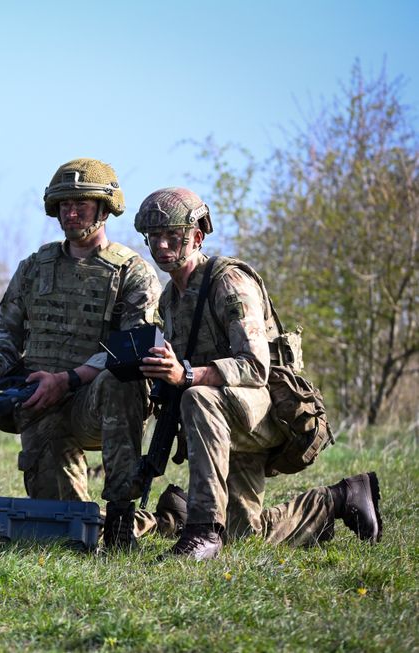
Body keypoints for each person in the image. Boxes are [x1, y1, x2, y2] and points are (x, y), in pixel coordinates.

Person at [133, 187, 382, 560]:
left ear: (197, 237)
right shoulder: (171, 298)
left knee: (197, 396)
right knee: (245, 536)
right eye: (154, 238)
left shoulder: (228, 281)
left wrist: (185, 377)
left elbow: (255, 366)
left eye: (173, 237)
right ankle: (341, 498)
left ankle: (201, 531)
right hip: (222, 417)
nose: (162, 246)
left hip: (263, 407)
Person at [0, 157, 166, 549]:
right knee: (61, 527)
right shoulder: (35, 267)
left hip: (96, 401)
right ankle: (153, 520)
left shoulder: (132, 272)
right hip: (41, 399)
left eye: (82, 204)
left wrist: (70, 379)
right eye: (64, 205)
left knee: (121, 382)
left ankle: (124, 514)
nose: (71, 213)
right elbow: (8, 328)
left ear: (104, 208)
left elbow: (133, 347)